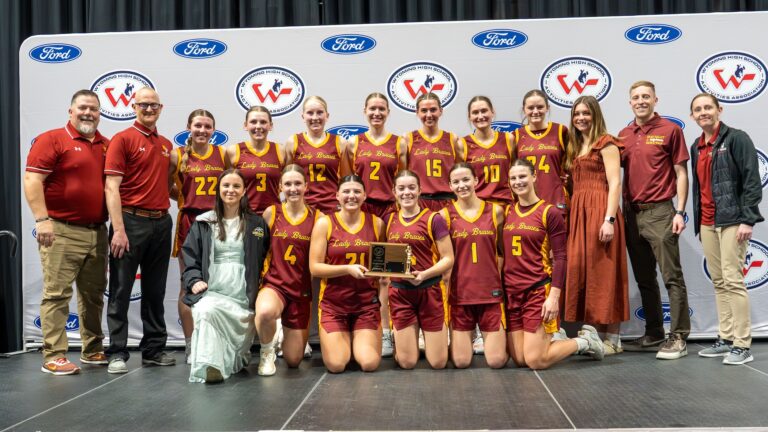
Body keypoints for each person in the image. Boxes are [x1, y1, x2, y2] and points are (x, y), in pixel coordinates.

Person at [24, 89, 110, 375]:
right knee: (57, 294)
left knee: (93, 295)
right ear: (71, 111)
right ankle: (54, 355)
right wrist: (42, 220)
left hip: (98, 231)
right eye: (83, 108)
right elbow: (32, 179)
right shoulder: (52, 139)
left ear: (100, 114)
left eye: (93, 109)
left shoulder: (106, 145)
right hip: (61, 230)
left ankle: (92, 349)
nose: (88, 113)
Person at [502, 159, 604, 369]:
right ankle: (554, 339)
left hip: (537, 291)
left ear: (534, 177)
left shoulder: (549, 212)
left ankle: (584, 342)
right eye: (513, 178)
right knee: (520, 359)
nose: (518, 181)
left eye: (522, 176)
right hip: (512, 293)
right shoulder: (506, 212)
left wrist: (554, 297)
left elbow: (561, 257)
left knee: (535, 361)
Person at [104, 87, 176, 373]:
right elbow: (111, 187)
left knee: (155, 290)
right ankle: (116, 352)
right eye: (143, 104)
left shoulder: (166, 144)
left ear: (161, 108)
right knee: (121, 289)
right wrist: (118, 230)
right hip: (130, 222)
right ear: (134, 107)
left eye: (154, 105)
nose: (149, 109)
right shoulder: (122, 139)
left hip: (161, 222)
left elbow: (166, 186)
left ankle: (153, 350)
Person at [619, 81, 691, 360]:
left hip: (660, 211)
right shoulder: (624, 134)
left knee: (672, 277)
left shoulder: (670, 130)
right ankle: (654, 332)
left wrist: (679, 211)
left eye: (645, 96)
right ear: (630, 102)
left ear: (655, 100)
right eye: (636, 97)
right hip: (631, 214)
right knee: (645, 278)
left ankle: (679, 337)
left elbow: (681, 173)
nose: (641, 101)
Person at [690, 93, 763, 365]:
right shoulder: (696, 146)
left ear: (719, 109)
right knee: (719, 282)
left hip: (733, 220)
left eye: (708, 107)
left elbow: (752, 180)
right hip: (707, 222)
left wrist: (748, 219)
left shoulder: (737, 138)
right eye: (698, 109)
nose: (703, 112)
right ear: (692, 116)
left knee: (733, 280)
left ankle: (742, 345)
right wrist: (700, 222)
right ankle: (726, 338)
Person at [181, 169, 270, 383]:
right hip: (213, 290)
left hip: (243, 294)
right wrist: (194, 280)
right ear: (218, 189)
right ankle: (210, 366)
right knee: (205, 310)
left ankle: (233, 358)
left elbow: (268, 257)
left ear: (244, 191)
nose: (231, 190)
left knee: (237, 356)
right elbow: (190, 257)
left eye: (236, 186)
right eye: (226, 186)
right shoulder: (204, 222)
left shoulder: (256, 224)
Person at [563, 95, 629, 355]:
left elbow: (615, 183)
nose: (581, 118)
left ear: (595, 115)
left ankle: (613, 338)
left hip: (600, 211)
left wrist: (609, 219)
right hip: (579, 214)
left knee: (605, 273)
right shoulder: (575, 146)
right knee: (585, 273)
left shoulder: (607, 143)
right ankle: (594, 336)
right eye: (577, 114)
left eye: (586, 113)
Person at [344, 92, 407, 358]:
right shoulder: (353, 143)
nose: (377, 113)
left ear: (388, 112)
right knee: (365, 273)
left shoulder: (399, 143)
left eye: (381, 108)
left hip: (389, 211)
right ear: (365, 111)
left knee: (387, 275)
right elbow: (348, 180)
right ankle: (366, 329)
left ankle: (390, 331)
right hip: (364, 210)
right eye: (372, 108)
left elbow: (403, 180)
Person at [309, 175, 385, 373]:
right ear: (337, 195)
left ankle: (356, 338)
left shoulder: (377, 223)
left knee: (369, 364)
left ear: (365, 195)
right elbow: (315, 268)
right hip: (334, 305)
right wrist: (346, 269)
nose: (352, 196)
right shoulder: (325, 223)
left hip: (365, 305)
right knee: (336, 365)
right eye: (346, 191)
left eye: (357, 191)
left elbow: (382, 265)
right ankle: (346, 340)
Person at [170, 109, 226, 364]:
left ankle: (217, 340)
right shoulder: (177, 154)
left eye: (207, 126)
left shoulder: (223, 154)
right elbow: (166, 187)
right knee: (188, 284)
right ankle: (191, 343)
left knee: (219, 282)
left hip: (217, 222)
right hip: (189, 223)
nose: (202, 130)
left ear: (213, 130)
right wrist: (185, 199)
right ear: (189, 127)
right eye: (198, 126)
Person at [254, 165, 320, 375]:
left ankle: (282, 333)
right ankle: (266, 352)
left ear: (306, 186)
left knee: (293, 360)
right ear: (280, 187)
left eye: (298, 183)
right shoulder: (271, 212)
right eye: (288, 184)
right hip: (275, 285)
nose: (293, 188)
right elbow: (259, 252)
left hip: (301, 291)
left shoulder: (318, 218)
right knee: (265, 312)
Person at [441, 163, 508, 369]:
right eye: (456, 182)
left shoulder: (496, 211)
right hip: (461, 295)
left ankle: (496, 339)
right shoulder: (444, 215)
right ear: (450, 186)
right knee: (461, 362)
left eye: (466, 180)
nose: (462, 185)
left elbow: (502, 251)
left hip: (490, 294)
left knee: (496, 361)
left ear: (476, 181)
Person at [386, 170, 454, 369]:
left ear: (420, 190)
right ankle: (404, 343)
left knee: (438, 363)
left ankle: (423, 341)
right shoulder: (389, 220)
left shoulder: (434, 219)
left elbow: (448, 258)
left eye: (411, 187)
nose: (406, 192)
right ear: (394, 192)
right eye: (401, 188)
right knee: (407, 363)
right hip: (401, 293)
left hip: (430, 290)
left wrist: (424, 274)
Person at [285, 96, 346, 214]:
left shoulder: (340, 142)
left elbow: (345, 179)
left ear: (327, 116)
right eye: (310, 113)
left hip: (332, 206)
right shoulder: (293, 141)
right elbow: (286, 178)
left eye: (319, 112)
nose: (315, 117)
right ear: (303, 116)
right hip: (303, 207)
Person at [514, 90, 570, 214]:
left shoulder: (560, 131)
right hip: (528, 201)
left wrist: (568, 177)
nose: (535, 111)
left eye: (540, 107)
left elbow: (571, 163)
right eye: (530, 108)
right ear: (524, 109)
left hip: (555, 198)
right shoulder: (516, 136)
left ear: (547, 108)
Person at [405, 92, 463, 212]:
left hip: (448, 201)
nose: (429, 115)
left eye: (433, 110)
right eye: (424, 110)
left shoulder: (452, 139)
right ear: (417, 112)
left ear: (440, 111)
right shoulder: (408, 139)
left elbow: (460, 173)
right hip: (419, 201)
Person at [227, 106, 285, 214]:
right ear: (245, 125)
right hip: (244, 215)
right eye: (253, 122)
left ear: (270, 126)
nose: (258, 126)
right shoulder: (234, 151)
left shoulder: (281, 150)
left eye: (263, 122)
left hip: (274, 215)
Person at [461, 96, 513, 205]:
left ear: (492, 112)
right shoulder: (463, 144)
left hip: (505, 205)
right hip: (478, 207)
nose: (480, 116)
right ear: (469, 116)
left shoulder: (508, 139)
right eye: (475, 112)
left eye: (484, 111)